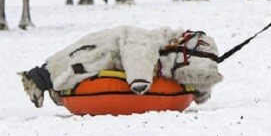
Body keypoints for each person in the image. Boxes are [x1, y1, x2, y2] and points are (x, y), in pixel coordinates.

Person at [19, 25, 223, 107]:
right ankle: (41, 80)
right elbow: (138, 49)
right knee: (77, 63)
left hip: (108, 46)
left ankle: (48, 83)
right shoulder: (153, 40)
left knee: (74, 63)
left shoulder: (173, 53)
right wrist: (140, 78)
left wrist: (200, 91)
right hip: (108, 47)